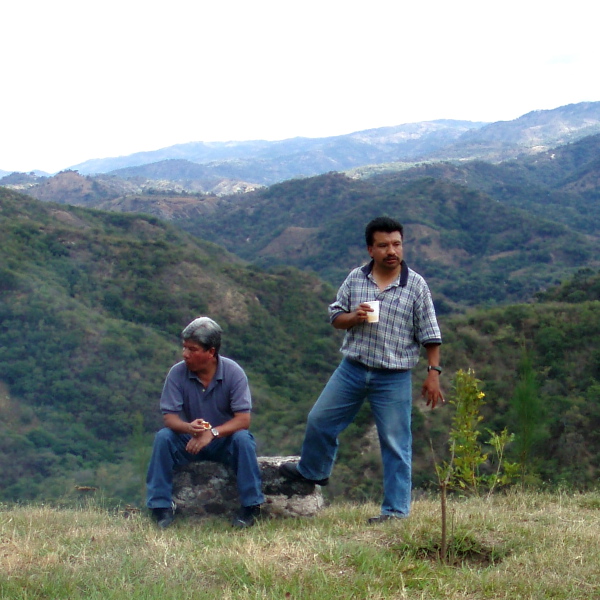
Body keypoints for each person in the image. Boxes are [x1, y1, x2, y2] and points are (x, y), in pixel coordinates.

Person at [279, 216, 444, 522]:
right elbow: (335, 316)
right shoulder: (356, 279)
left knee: (395, 444)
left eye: (396, 244)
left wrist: (434, 374)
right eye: (383, 245)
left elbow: (430, 335)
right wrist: (353, 317)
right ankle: (313, 471)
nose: (391, 251)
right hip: (352, 368)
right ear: (371, 249)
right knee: (319, 420)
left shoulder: (416, 286)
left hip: (393, 376)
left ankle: (395, 513)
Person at [146, 317, 265, 528]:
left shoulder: (233, 373)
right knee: (163, 438)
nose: (185, 355)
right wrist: (189, 428)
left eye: (192, 350)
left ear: (211, 352)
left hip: (223, 441)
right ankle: (160, 508)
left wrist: (213, 433)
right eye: (184, 348)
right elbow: (170, 418)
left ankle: (251, 507)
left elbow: (243, 420)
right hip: (190, 440)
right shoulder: (177, 373)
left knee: (243, 440)